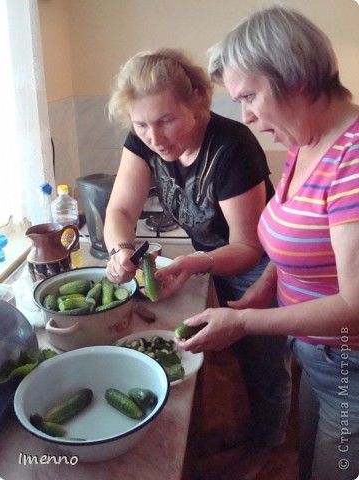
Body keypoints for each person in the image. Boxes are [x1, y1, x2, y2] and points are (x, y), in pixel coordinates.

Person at [175, 5, 359, 480]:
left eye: (250, 95)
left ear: (295, 77)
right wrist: (260, 292)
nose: (247, 116)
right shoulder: (306, 144)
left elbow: (356, 304)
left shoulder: (353, 160)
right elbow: (298, 243)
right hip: (317, 353)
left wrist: (248, 323)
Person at [104, 48, 292, 451]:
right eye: (141, 125)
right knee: (232, 356)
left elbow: (248, 246)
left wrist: (193, 263)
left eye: (166, 120)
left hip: (261, 267)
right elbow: (120, 208)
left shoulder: (231, 148)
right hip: (212, 260)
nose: (155, 138)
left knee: (263, 365)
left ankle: (268, 447)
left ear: (195, 102)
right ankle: (244, 427)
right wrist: (121, 250)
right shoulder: (145, 142)